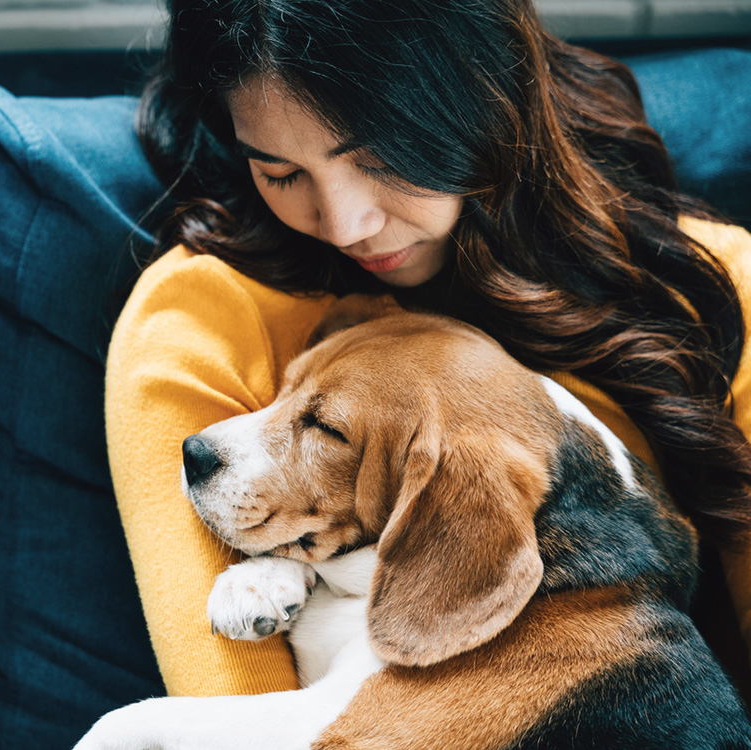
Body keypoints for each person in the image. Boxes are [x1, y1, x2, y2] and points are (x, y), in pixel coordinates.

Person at [105, 0, 751, 699]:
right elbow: (235, 706)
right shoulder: (201, 320)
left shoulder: (712, 289)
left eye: (382, 154)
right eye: (282, 173)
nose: (349, 224)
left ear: (482, 88)